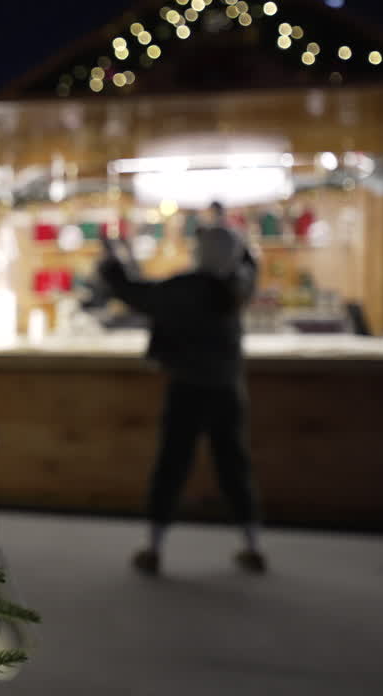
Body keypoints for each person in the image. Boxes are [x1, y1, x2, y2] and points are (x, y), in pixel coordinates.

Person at [98, 211, 266, 575]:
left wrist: (112, 260)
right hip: (227, 388)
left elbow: (136, 294)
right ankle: (252, 545)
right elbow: (249, 261)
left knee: (171, 466)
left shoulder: (186, 289)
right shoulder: (240, 285)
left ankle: (154, 548)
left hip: (187, 387)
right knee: (234, 467)